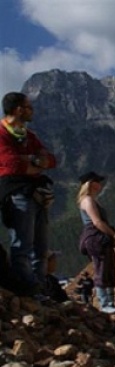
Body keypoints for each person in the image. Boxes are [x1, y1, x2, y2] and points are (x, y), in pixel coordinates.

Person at [0, 92, 57, 297]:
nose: (32, 110)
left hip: (37, 194)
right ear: (18, 110)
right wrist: (37, 162)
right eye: (28, 107)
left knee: (41, 248)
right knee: (22, 245)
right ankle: (27, 289)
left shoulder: (28, 135)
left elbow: (51, 160)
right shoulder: (1, 133)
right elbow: (10, 165)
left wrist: (31, 161)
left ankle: (40, 289)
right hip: (16, 194)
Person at [77, 171, 115, 313]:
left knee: (107, 267)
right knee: (101, 267)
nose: (100, 184)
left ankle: (110, 301)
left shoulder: (90, 200)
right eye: (97, 181)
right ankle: (105, 303)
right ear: (91, 183)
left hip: (99, 237)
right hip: (96, 238)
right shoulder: (88, 200)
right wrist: (113, 234)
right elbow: (96, 221)